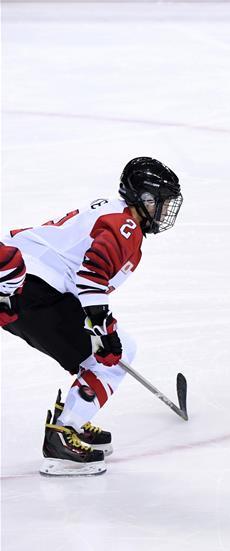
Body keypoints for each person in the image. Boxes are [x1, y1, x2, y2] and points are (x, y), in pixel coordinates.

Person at [0, 157, 183, 476]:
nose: (164, 212)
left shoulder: (118, 216)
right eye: (161, 203)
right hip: (31, 288)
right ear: (145, 198)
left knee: (109, 351)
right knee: (111, 353)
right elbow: (91, 278)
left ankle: (72, 421)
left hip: (29, 282)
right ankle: (63, 436)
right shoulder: (123, 226)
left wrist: (101, 330)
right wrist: (104, 332)